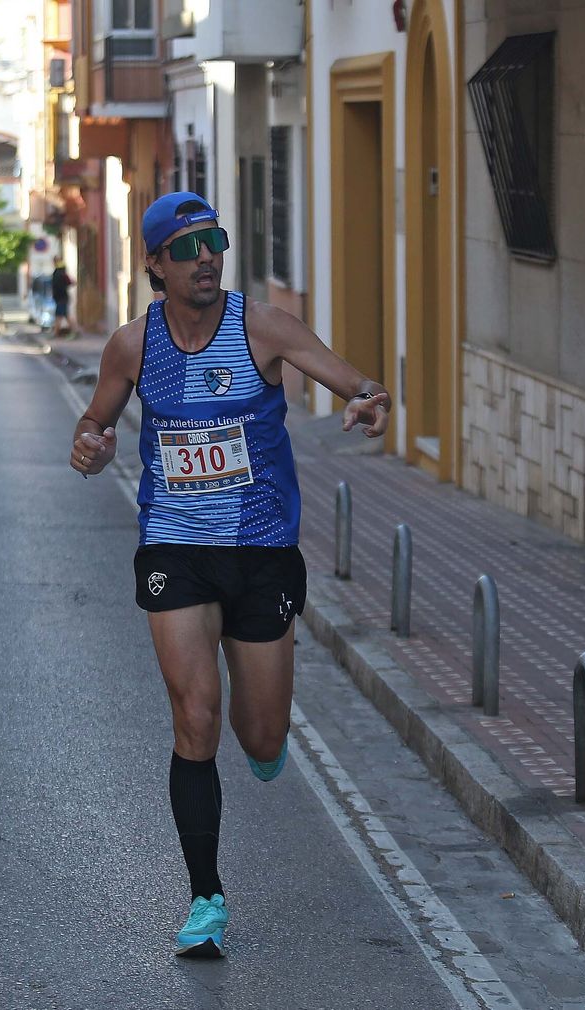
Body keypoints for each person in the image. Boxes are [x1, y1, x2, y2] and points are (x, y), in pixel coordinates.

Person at [70, 192, 391, 958]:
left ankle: (268, 731)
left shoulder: (262, 327)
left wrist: (370, 403)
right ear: (154, 264)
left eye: (214, 240)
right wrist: (90, 444)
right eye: (186, 246)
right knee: (195, 718)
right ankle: (205, 897)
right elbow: (95, 420)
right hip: (175, 549)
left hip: (261, 553)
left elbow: (358, 383)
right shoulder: (132, 347)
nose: (207, 255)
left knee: (261, 736)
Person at [50, 257, 73, 338]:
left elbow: (59, 285)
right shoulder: (60, 272)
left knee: (59, 315)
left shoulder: (59, 273)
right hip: (61, 297)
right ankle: (73, 331)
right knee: (65, 315)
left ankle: (56, 333)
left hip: (61, 298)